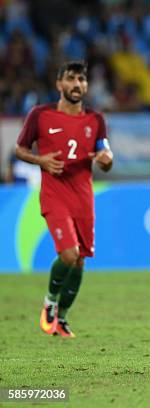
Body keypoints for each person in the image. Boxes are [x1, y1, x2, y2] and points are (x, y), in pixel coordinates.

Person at [15, 60, 114, 338]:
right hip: (54, 194)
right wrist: (40, 160)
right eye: (70, 79)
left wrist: (106, 160)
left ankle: (63, 319)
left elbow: (105, 155)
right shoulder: (40, 115)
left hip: (83, 196)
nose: (76, 84)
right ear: (59, 84)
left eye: (81, 80)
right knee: (68, 254)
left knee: (80, 260)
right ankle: (49, 302)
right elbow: (20, 149)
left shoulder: (95, 120)